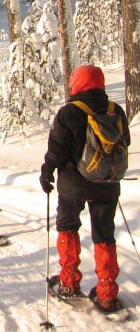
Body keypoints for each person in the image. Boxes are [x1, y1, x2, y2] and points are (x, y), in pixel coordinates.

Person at [40, 64, 130, 313]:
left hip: (73, 184)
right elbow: (125, 142)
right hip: (107, 183)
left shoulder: (68, 112)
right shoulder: (115, 110)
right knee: (105, 235)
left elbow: (57, 149)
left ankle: (69, 282)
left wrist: (47, 172)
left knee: (68, 227)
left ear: (77, 83)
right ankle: (107, 294)